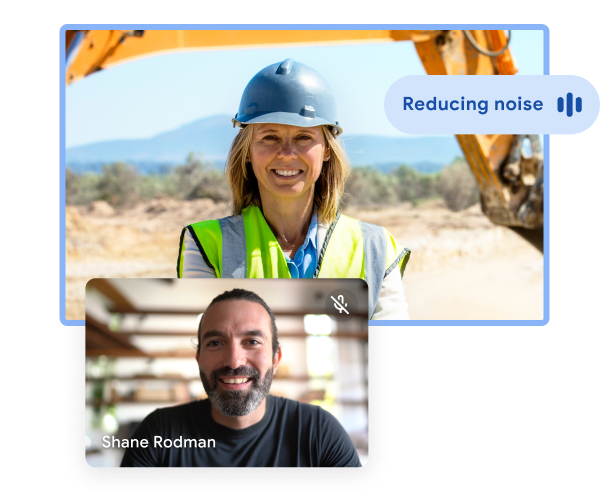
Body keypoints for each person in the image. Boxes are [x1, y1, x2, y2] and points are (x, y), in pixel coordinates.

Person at [177, 58, 410, 319]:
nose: (287, 154)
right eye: (270, 137)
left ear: (326, 151)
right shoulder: (206, 246)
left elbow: (385, 357)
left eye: (304, 137)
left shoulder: (375, 248)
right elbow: (204, 349)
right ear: (248, 152)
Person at [120, 288, 362, 468]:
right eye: (215, 343)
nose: (234, 361)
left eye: (253, 342)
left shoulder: (320, 433)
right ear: (198, 358)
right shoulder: (157, 435)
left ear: (275, 359)